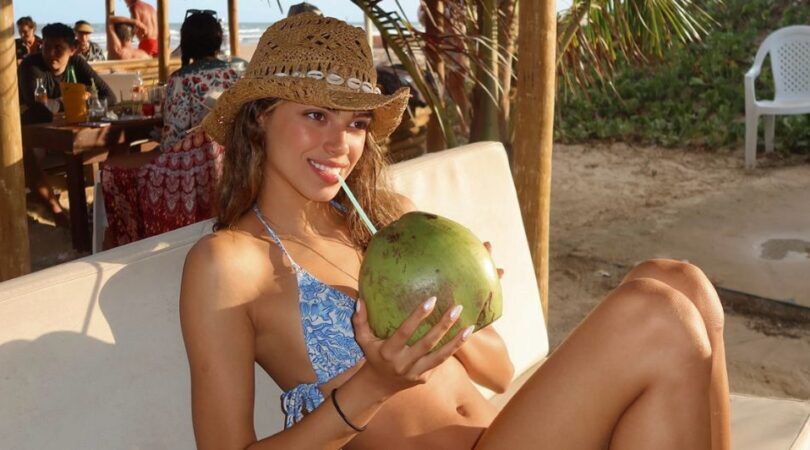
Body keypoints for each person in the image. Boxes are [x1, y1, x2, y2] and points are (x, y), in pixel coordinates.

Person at [180, 14, 731, 450]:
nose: (340, 145)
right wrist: (374, 385)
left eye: (356, 123)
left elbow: (500, 373)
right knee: (655, 312)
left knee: (681, 281)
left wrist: (462, 305)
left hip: (499, 432)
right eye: (316, 115)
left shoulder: (387, 222)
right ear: (260, 117)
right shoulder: (228, 264)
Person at [101, 12, 238, 247]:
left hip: (191, 167)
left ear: (186, 43)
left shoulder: (181, 79)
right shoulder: (234, 75)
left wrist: (156, 134)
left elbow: (172, 142)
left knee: (111, 167)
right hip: (229, 160)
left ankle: (127, 242)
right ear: (218, 40)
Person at [18, 23, 117, 225]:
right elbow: (38, 109)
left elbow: (109, 96)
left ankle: (100, 207)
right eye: (46, 47)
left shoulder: (77, 63)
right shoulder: (31, 65)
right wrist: (77, 98)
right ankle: (57, 212)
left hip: (68, 132)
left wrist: (67, 102)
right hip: (32, 133)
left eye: (58, 48)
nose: (51, 53)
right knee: (26, 155)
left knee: (111, 145)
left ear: (72, 50)